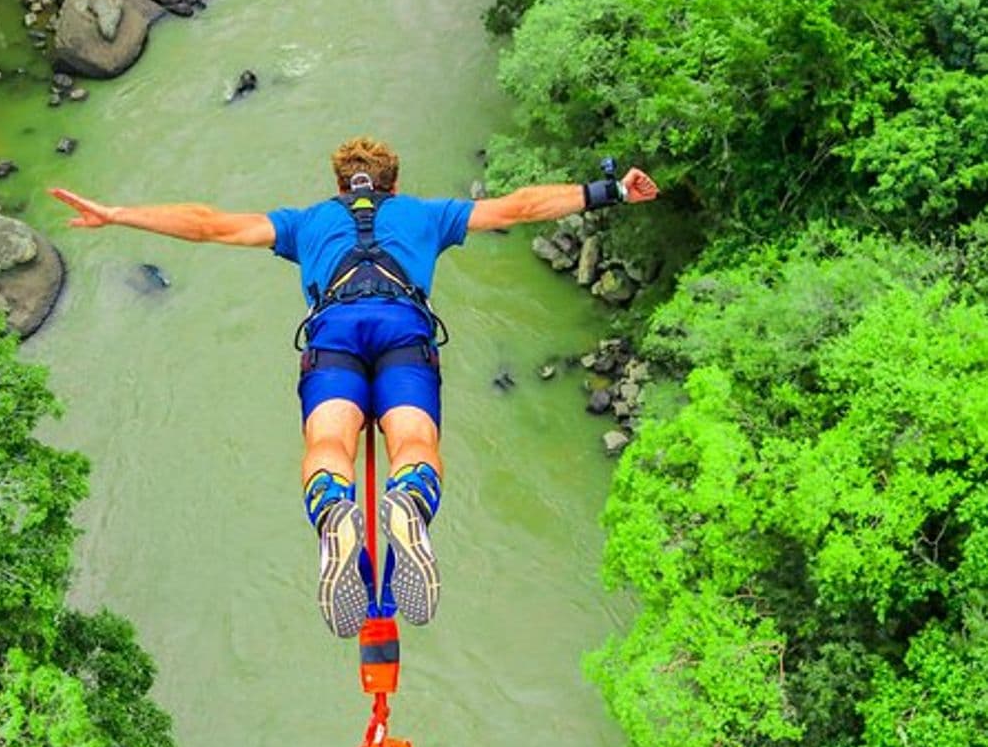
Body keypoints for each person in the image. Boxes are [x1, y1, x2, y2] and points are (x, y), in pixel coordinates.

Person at [50, 137, 658, 638]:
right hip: (403, 332)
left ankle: (334, 511)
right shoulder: (427, 215)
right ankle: (410, 504)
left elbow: (209, 224)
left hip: (334, 335)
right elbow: (520, 207)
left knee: (329, 445)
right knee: (414, 439)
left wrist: (116, 214)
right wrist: (607, 191)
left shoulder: (305, 223)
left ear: (341, 186)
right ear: (394, 182)